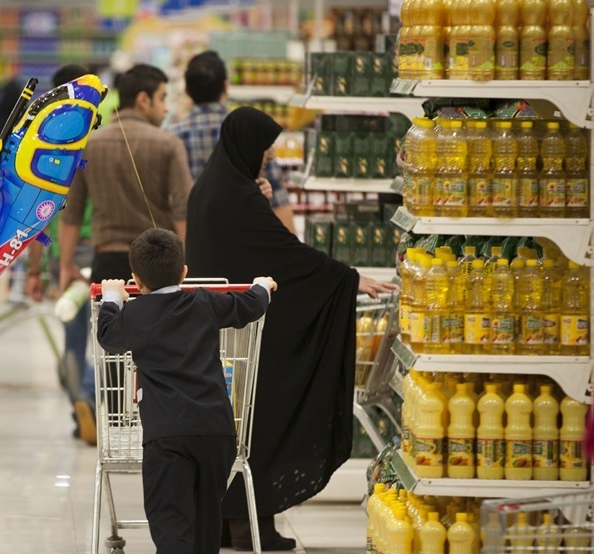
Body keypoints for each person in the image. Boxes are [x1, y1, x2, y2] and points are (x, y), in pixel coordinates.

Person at [185, 107, 396, 551]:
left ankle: (225, 523)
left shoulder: (211, 188)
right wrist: (347, 278)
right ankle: (251, 528)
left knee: (232, 426)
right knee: (258, 423)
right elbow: (284, 255)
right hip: (246, 331)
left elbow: (251, 249)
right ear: (246, 146)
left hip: (221, 330)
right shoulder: (236, 197)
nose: (267, 156)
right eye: (264, 149)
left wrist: (257, 197)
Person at [96, 228, 277, 554]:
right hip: (216, 432)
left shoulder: (136, 314)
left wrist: (112, 296)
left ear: (136, 280)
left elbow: (107, 335)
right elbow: (250, 306)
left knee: (171, 521)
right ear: (183, 273)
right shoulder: (204, 301)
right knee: (207, 519)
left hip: (167, 436)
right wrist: (262, 286)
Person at [59, 63, 192, 295]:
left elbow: (72, 212)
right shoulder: (168, 144)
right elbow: (183, 210)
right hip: (158, 265)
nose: (166, 109)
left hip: (107, 262)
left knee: (109, 317)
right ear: (143, 100)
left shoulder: (89, 145)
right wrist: (185, 263)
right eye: (162, 98)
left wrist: (66, 265)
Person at [25, 63, 98, 445]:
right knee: (111, 338)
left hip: (61, 252)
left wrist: (34, 271)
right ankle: (96, 400)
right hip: (101, 248)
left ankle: (79, 404)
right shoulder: (100, 136)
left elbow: (36, 212)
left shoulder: (44, 143)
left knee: (73, 337)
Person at [167, 50, 296, 234]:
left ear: (187, 90)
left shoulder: (172, 135)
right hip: (242, 237)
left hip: (191, 237)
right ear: (226, 87)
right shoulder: (251, 133)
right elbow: (277, 196)